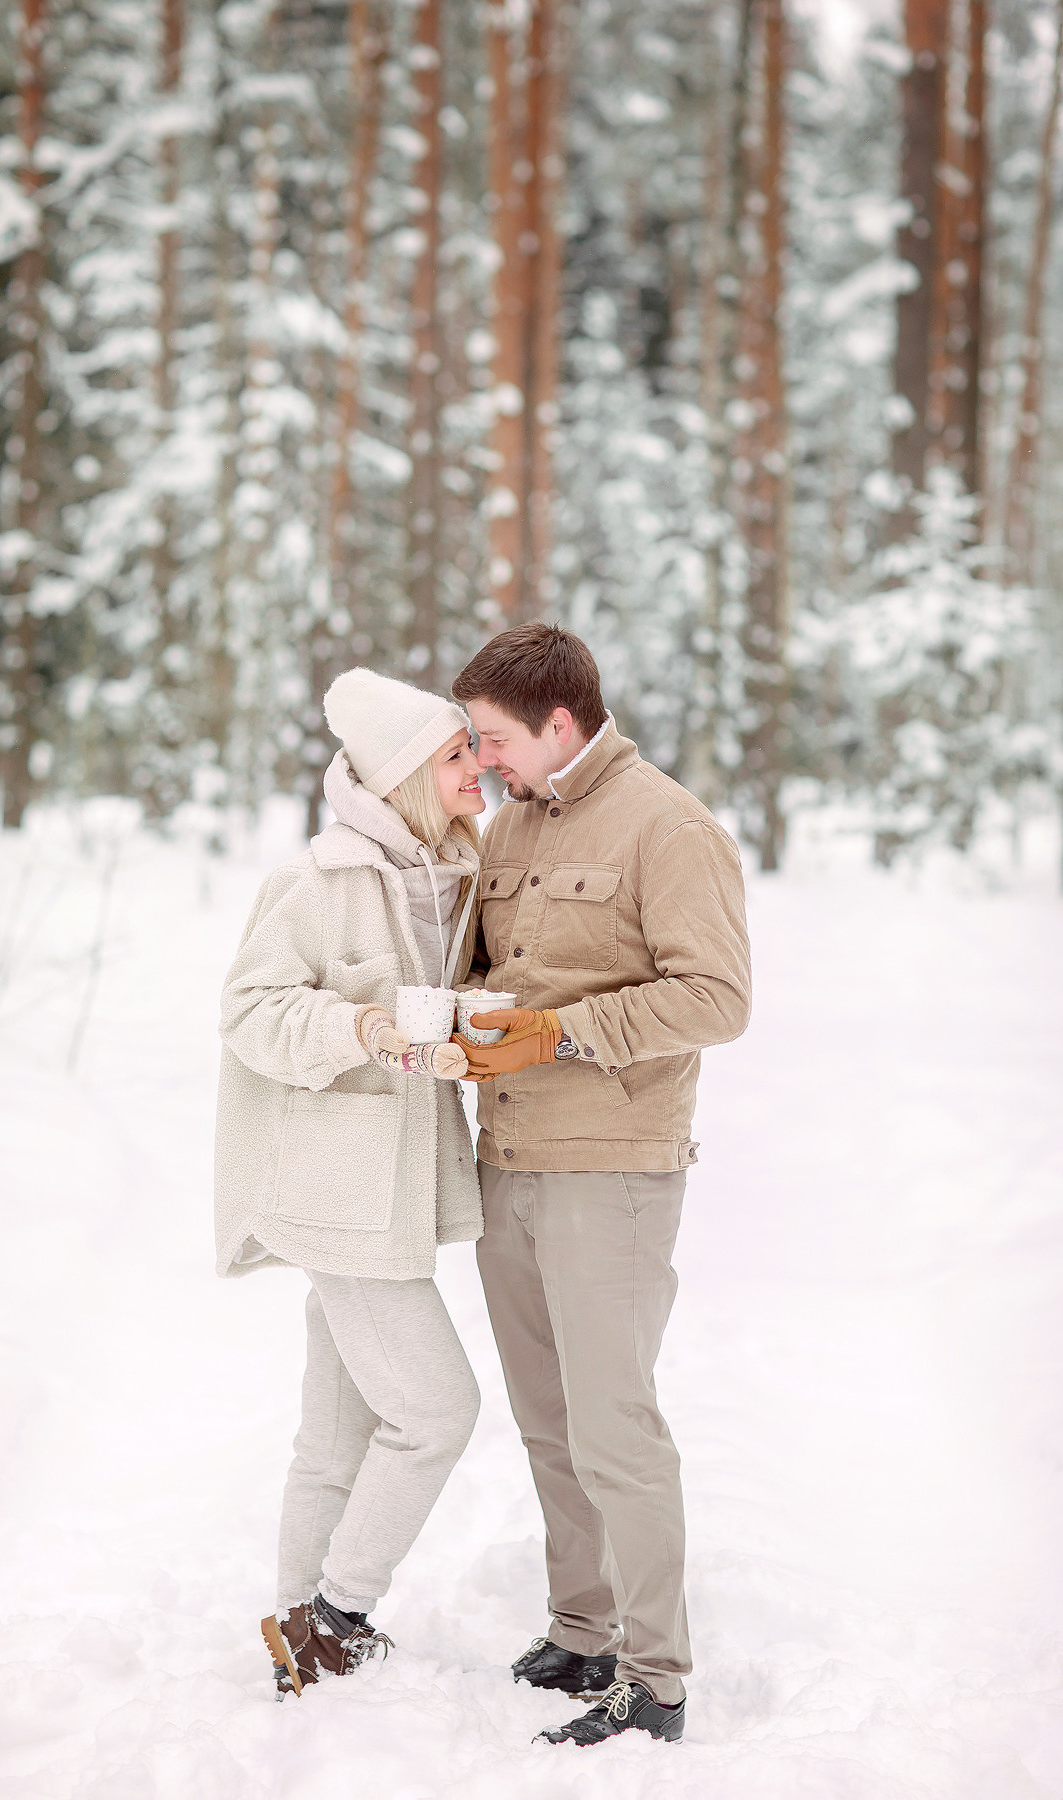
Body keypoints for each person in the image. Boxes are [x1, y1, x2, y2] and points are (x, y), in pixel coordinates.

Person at [449, 622, 752, 1748]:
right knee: (547, 1423)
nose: (482, 762)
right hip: (510, 1161)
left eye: (493, 740)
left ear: (560, 723)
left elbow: (717, 998)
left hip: (610, 1174)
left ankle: (655, 1677)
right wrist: (474, 1014)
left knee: (615, 1427)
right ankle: (582, 1630)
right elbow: (496, 969)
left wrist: (556, 1036)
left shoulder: (669, 827)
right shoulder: (510, 825)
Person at [214, 667, 488, 1698]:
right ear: (411, 770)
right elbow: (248, 1010)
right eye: (458, 753)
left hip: (392, 1182)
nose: (478, 767)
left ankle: (299, 1639)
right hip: (335, 1186)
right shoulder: (317, 881)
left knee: (338, 1433)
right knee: (436, 1411)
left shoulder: (453, 872)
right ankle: (337, 1617)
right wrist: (359, 1029)